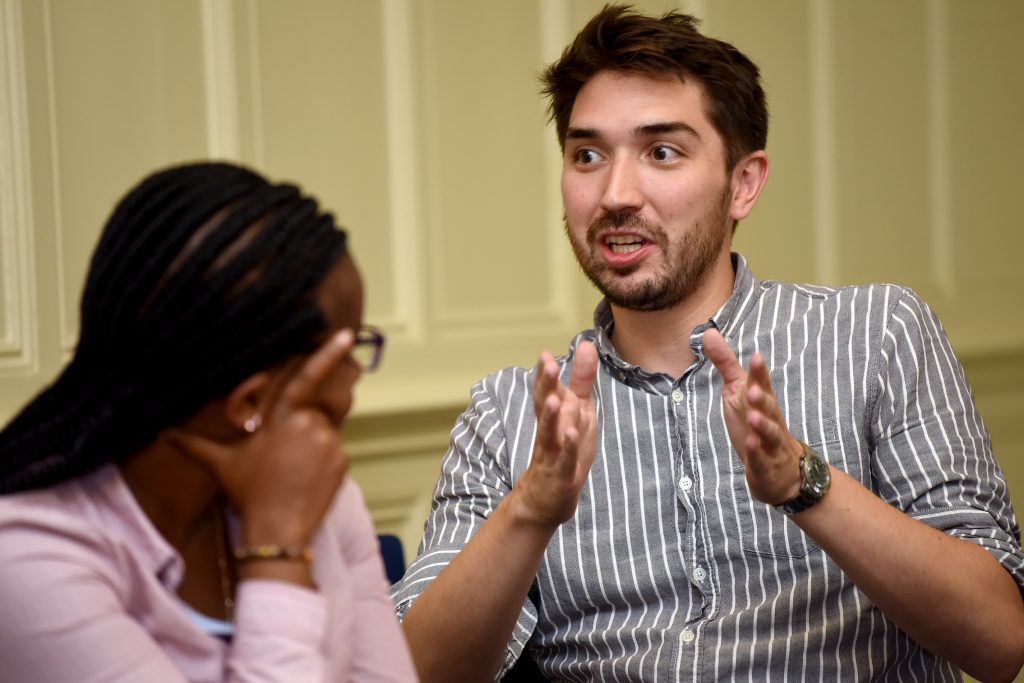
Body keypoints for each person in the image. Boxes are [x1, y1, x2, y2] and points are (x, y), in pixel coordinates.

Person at [390, 5, 1024, 682]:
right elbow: (414, 672)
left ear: (743, 184)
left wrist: (804, 484)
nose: (615, 193)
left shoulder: (878, 336)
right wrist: (530, 509)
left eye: (662, 152)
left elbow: (998, 639)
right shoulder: (509, 415)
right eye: (587, 155)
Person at [0, 162, 418, 682]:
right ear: (248, 403)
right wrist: (278, 551)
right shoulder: (29, 561)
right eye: (347, 352)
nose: (355, 381)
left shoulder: (323, 496)